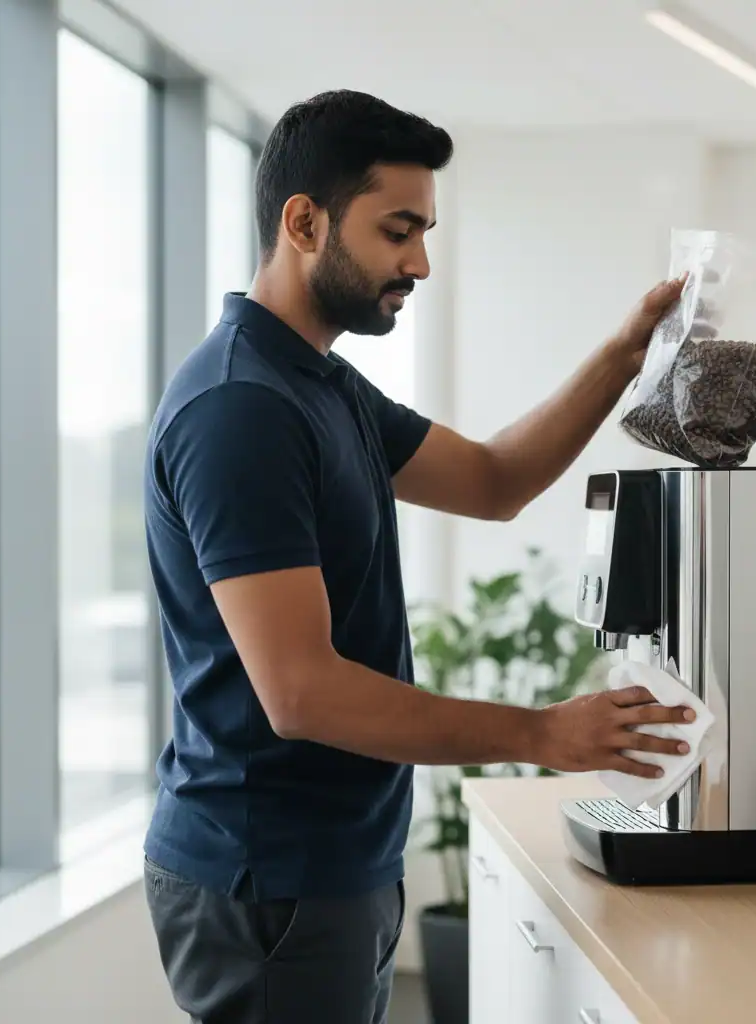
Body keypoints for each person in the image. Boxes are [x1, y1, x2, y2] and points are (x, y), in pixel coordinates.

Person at [142, 88, 694, 1024]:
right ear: (305, 221)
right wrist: (539, 734)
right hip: (269, 876)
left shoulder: (318, 384)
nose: (421, 262)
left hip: (334, 863)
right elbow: (301, 692)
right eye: (399, 231)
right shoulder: (242, 409)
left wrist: (626, 354)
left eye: (426, 231)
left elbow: (492, 480)